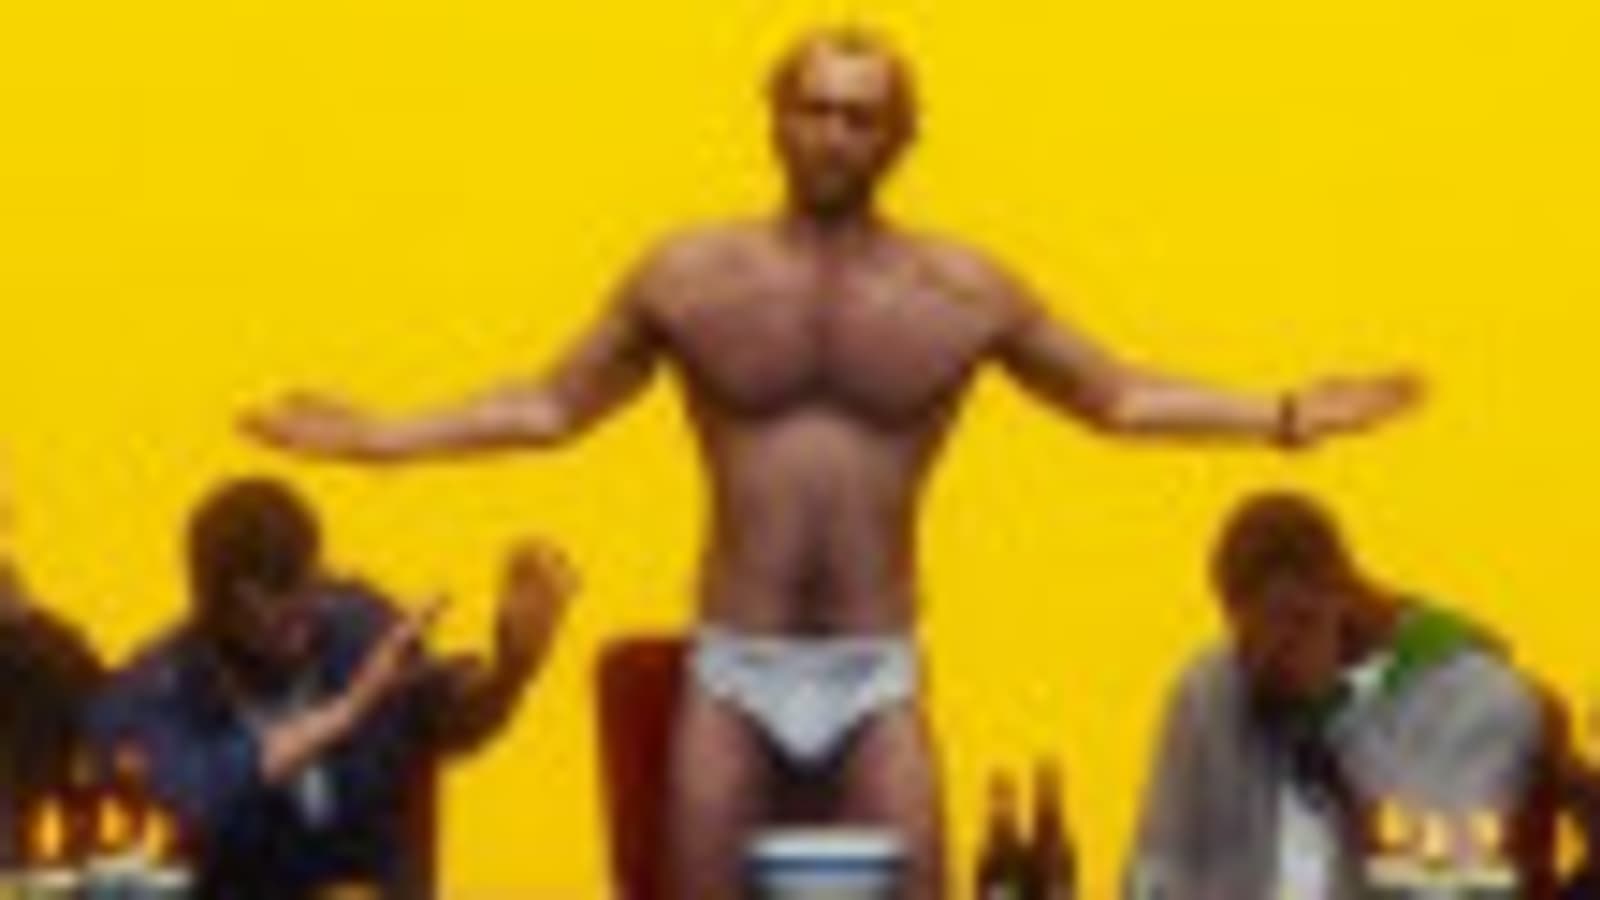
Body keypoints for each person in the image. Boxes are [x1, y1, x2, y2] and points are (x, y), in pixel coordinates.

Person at [243, 28, 1420, 899]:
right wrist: (381, 437)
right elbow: (550, 405)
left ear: (898, 136)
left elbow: (1114, 396)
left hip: (873, 671)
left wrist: (1281, 415)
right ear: (774, 118)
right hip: (733, 664)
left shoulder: (959, 290)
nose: (833, 133)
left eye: (860, 116)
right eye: (812, 108)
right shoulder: (690, 276)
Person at [94, 477, 572, 899]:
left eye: (307, 585)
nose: (300, 612)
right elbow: (198, 795)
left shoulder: (356, 626)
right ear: (218, 604)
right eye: (272, 600)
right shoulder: (158, 687)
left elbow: (452, 720)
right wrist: (346, 712)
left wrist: (512, 669)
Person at [1128, 491, 1552, 900]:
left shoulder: (1479, 703)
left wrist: (1335, 718)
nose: (1261, 660)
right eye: (1244, 636)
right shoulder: (1212, 689)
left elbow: (1447, 883)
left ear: (1344, 596)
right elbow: (1158, 865)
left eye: (1296, 623)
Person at [0, 555, 103, 868]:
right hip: (32, 763)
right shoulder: (58, 636)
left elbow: (96, 685)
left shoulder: (57, 638)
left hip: (50, 758)